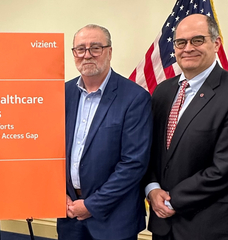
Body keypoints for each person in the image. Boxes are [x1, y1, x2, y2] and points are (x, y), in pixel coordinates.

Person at [144, 14, 228, 240]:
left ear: (216, 44)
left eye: (197, 40)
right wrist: (152, 188)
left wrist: (172, 199)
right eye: (180, 42)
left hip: (211, 224)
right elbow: (150, 150)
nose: (187, 48)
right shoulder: (162, 92)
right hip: (163, 224)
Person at [57, 24, 152, 240]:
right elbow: (49, 150)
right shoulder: (62, 94)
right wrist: (57, 195)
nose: (87, 55)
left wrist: (91, 205)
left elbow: (134, 163)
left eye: (95, 48)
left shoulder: (135, 98)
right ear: (73, 54)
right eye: (80, 49)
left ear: (109, 51)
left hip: (114, 220)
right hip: (69, 215)